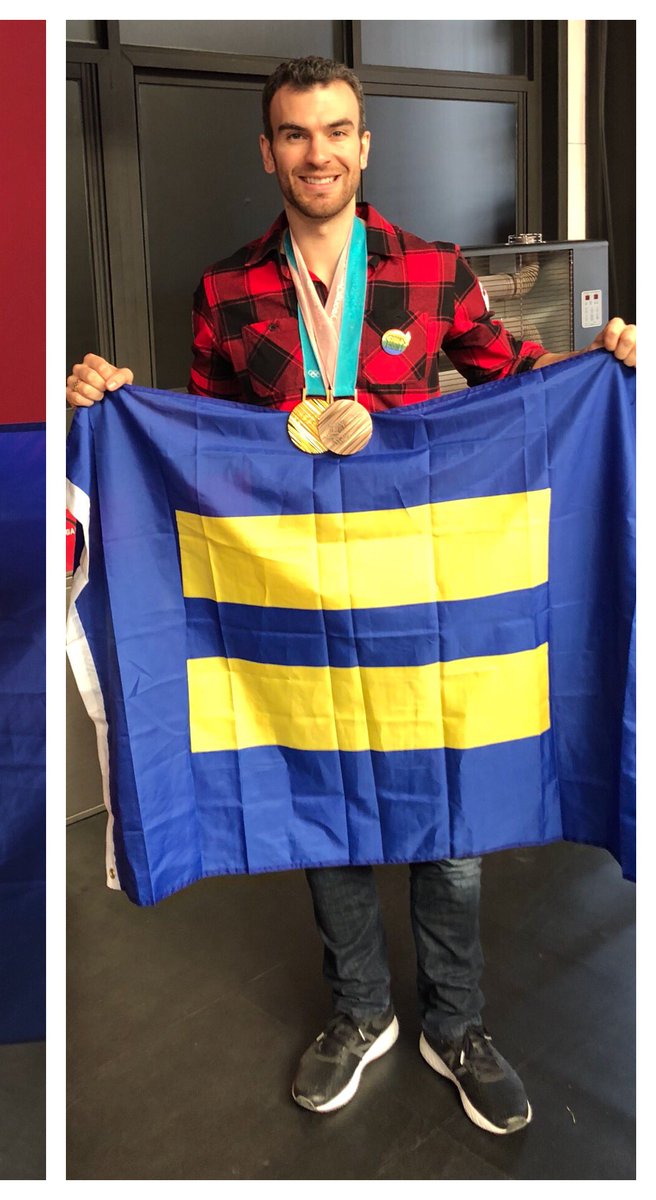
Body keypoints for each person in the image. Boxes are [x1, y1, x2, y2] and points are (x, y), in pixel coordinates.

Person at [67, 56, 636, 1137]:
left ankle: (456, 1023)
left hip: (425, 592)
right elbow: (207, 447)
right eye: (294, 134)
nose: (316, 152)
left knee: (450, 812)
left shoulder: (429, 271)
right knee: (317, 801)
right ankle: (365, 1009)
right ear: (268, 151)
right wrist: (114, 407)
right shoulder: (226, 289)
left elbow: (516, 382)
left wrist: (601, 363)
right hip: (297, 603)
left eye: (336, 131)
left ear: (364, 146)